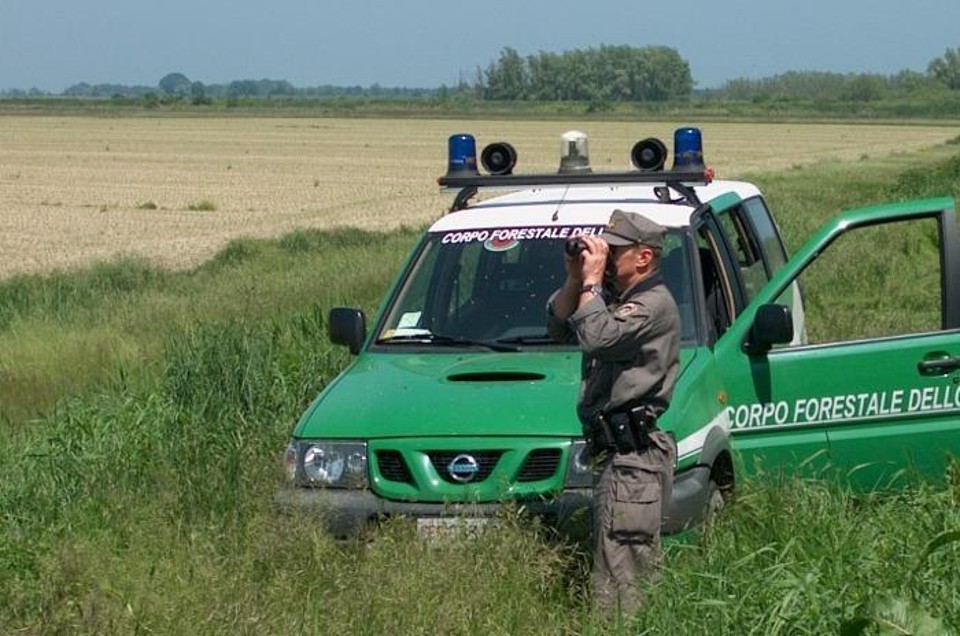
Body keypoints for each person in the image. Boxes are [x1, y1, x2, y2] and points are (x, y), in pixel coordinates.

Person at [546, 209, 680, 618]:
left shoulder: (652, 304)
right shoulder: (621, 300)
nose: (603, 258)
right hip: (618, 458)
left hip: (634, 460)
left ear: (644, 257)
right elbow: (559, 326)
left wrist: (590, 282)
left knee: (625, 576)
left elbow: (597, 337)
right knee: (614, 561)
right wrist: (575, 277)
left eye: (614, 251)